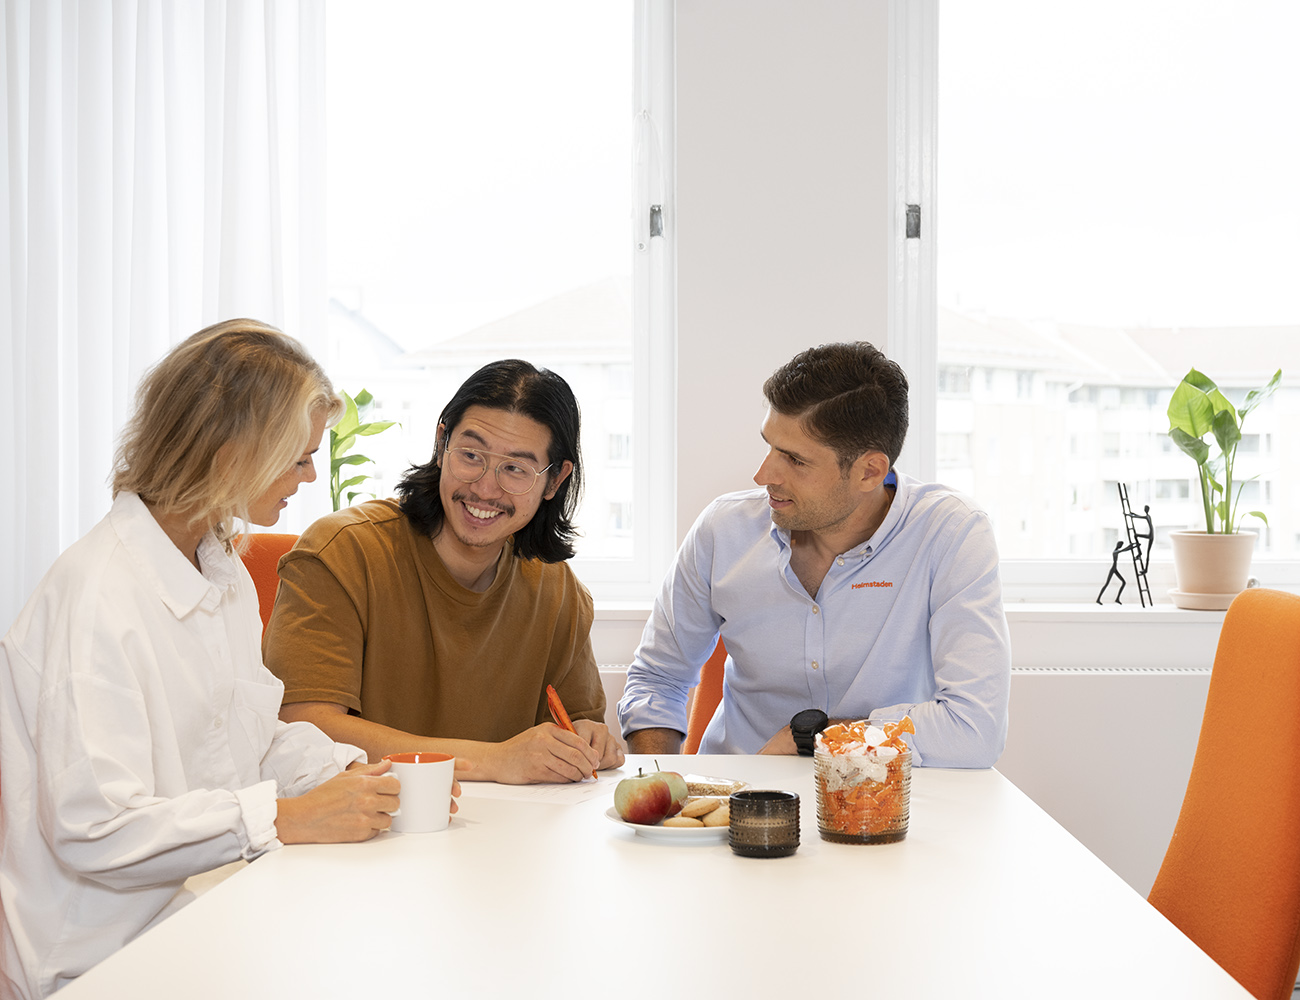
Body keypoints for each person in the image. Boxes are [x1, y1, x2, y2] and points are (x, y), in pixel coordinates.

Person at [0, 320, 443, 1000]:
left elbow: (254, 736)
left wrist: (354, 775)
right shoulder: (97, 598)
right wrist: (287, 817)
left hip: (205, 915)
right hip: (99, 960)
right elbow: (97, 831)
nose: (310, 474)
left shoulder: (219, 569)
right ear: (232, 452)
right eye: (297, 456)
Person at [618, 341, 1011, 766]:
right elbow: (658, 678)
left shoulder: (950, 534)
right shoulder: (723, 529)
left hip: (877, 804)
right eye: (769, 445)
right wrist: (658, 785)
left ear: (868, 471)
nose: (763, 474)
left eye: (795, 460)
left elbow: (976, 729)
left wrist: (819, 740)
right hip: (737, 797)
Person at [263, 359, 624, 784]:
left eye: (515, 469)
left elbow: (577, 726)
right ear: (441, 443)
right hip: (365, 833)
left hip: (507, 837)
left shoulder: (557, 590)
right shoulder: (342, 554)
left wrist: (589, 741)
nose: (485, 489)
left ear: (554, 481)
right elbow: (305, 728)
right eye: (471, 456)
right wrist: (494, 761)